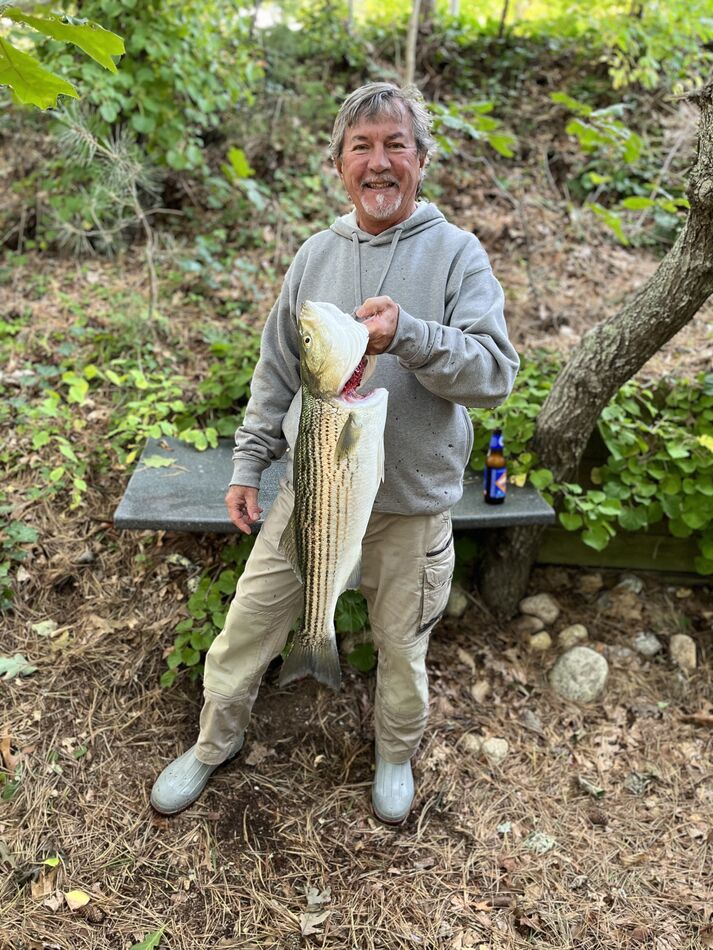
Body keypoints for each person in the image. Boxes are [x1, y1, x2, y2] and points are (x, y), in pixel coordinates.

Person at [151, 82, 519, 824]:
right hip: (311, 495)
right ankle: (211, 744)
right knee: (245, 629)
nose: (378, 162)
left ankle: (391, 757)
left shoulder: (456, 255)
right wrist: (248, 464)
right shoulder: (315, 256)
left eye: (394, 145)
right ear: (338, 163)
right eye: (361, 147)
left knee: (401, 652)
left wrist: (408, 334)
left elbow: (493, 375)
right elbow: (278, 371)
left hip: (411, 510)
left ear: (421, 159)